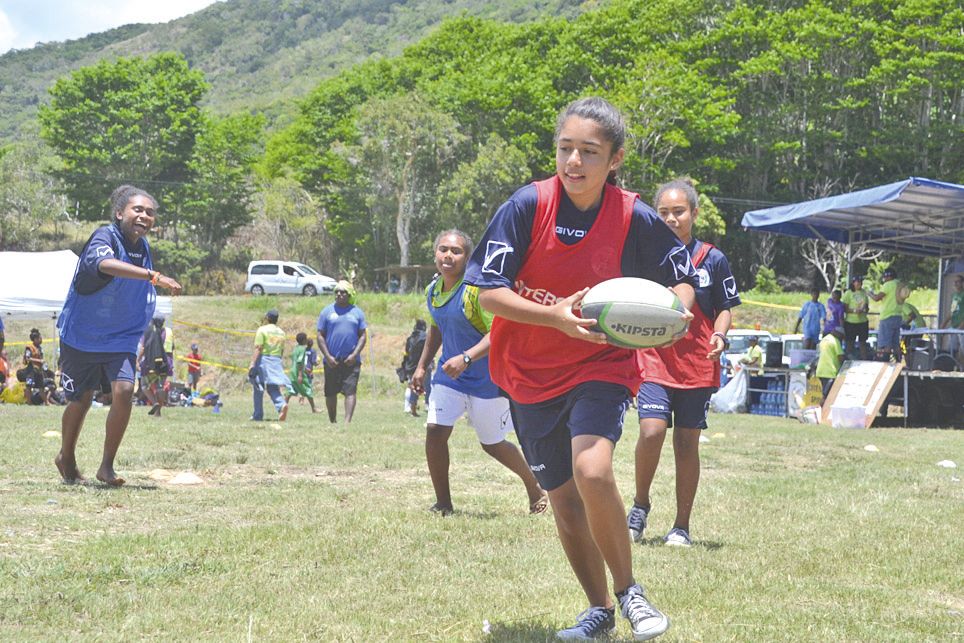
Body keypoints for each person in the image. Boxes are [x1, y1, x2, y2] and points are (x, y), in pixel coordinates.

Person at [464, 97, 695, 640]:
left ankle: (630, 591)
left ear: (613, 159)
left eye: (589, 151)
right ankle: (599, 611)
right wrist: (552, 316)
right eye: (566, 148)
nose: (574, 161)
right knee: (564, 499)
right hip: (527, 370)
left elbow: (682, 279)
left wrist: (676, 311)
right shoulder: (526, 206)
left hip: (601, 361)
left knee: (593, 470)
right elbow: (488, 293)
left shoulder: (634, 215)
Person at [629, 179, 741, 549]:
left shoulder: (713, 258)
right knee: (651, 431)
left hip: (696, 365)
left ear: (693, 213)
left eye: (678, 211)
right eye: (663, 212)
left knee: (686, 443)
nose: (671, 218)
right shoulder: (646, 256)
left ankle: (681, 526)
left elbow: (725, 307)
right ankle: (640, 506)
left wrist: (720, 336)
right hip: (653, 359)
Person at [411, 230, 549, 517]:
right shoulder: (433, 290)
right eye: (443, 249)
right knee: (435, 431)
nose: (448, 255)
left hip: (488, 379)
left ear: (467, 257)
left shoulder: (477, 291)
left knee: (493, 444)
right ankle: (444, 504)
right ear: (435, 253)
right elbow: (436, 327)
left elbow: (498, 333)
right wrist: (422, 365)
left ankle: (534, 487)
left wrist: (466, 357)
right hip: (449, 377)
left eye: (456, 251)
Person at [54, 185, 182, 485]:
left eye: (150, 213)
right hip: (83, 334)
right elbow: (104, 264)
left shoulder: (143, 247)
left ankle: (106, 467)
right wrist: (153, 276)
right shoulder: (105, 236)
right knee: (81, 400)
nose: (144, 216)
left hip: (121, 335)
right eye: (138, 209)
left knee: (124, 391)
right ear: (119, 212)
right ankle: (66, 457)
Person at [316, 280, 367, 424]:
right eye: (337, 292)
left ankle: (347, 422)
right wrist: (327, 356)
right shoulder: (327, 312)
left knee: (350, 391)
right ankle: (333, 421)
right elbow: (320, 335)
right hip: (331, 360)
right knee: (330, 392)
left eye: (343, 292)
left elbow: (363, 335)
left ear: (349, 294)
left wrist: (354, 355)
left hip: (351, 361)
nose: (339, 294)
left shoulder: (357, 312)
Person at [248, 309, 290, 422]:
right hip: (276, 360)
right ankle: (281, 405)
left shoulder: (262, 330)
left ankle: (258, 414)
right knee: (272, 387)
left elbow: (259, 348)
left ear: (267, 318)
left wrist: (252, 363)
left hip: (263, 359)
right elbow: (281, 350)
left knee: (258, 387)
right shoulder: (281, 332)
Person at [136, 314, 170, 416]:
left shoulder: (148, 331)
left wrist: (138, 360)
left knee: (145, 386)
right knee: (160, 388)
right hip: (163, 365)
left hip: (149, 365)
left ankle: (154, 402)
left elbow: (143, 348)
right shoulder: (166, 333)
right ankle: (158, 413)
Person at [870, 267, 904, 361]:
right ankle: (899, 362)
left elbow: (877, 298)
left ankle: (885, 363)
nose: (884, 279)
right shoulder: (899, 284)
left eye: (884, 277)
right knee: (895, 342)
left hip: (887, 316)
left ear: (888, 276)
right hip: (898, 316)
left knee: (886, 343)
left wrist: (870, 294)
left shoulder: (888, 285)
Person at [400, 319, 428, 415]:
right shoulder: (425, 337)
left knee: (411, 386)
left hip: (411, 366)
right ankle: (428, 406)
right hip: (423, 366)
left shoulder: (410, 338)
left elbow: (406, 353)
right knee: (428, 387)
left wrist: (405, 365)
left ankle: (409, 407)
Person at [286, 332, 318, 413]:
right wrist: (300, 375)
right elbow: (300, 362)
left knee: (291, 390)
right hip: (298, 372)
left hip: (292, 372)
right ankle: (314, 409)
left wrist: (306, 369)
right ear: (304, 340)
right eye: (306, 338)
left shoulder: (296, 348)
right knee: (308, 389)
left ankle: (283, 406)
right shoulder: (303, 349)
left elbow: (294, 359)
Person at [842, 275, 870, 359]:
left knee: (862, 342)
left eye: (860, 282)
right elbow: (845, 308)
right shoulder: (848, 293)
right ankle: (848, 359)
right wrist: (854, 311)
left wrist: (864, 310)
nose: (858, 284)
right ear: (853, 283)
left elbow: (867, 306)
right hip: (851, 322)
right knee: (850, 342)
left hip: (862, 321)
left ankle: (864, 360)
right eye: (856, 282)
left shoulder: (864, 293)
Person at [816, 327, 846, 398]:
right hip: (830, 372)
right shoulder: (835, 341)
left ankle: (820, 407)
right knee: (827, 396)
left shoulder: (824, 340)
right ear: (838, 334)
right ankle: (821, 408)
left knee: (822, 394)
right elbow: (840, 357)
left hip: (820, 371)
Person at [941, 274, 964, 361]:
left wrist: (962, 325)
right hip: (954, 326)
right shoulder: (954, 295)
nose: (955, 284)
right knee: (951, 349)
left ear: (962, 283)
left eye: (957, 282)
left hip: (961, 326)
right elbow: (952, 312)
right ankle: (954, 366)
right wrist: (943, 324)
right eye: (954, 282)